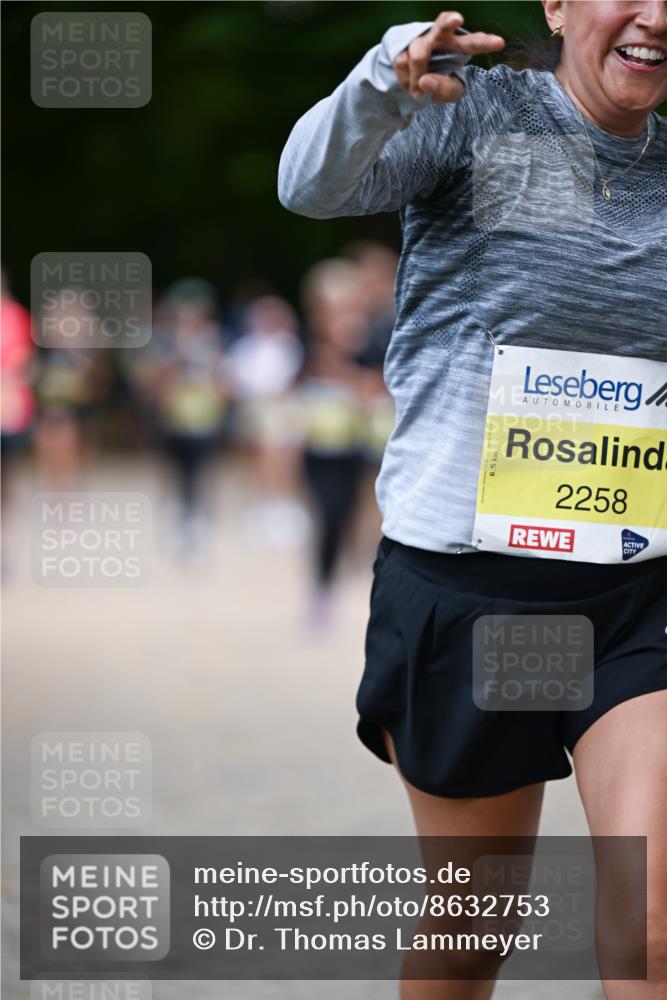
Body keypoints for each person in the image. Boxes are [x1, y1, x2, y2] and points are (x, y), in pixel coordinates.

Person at [279, 3, 667, 998]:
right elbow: (310, 186)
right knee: (470, 933)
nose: (655, 16)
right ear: (558, 5)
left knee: (654, 926)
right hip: (470, 592)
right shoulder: (478, 114)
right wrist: (379, 84)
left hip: (637, 597)